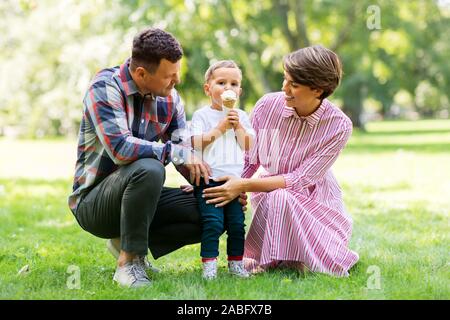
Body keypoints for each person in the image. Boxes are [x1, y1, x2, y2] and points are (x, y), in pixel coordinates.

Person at [68, 28, 247, 288]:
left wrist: (222, 187)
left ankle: (124, 241)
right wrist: (176, 152)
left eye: (177, 74)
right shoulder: (105, 87)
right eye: (169, 77)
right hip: (94, 202)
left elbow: (185, 151)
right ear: (142, 74)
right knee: (149, 168)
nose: (175, 82)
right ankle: (129, 263)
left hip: (138, 195)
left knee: (213, 208)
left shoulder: (171, 99)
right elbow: (120, 148)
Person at [202, 45, 359, 277]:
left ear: (318, 90)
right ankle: (284, 257)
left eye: (294, 85)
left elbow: (299, 179)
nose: (284, 88)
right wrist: (215, 183)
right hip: (270, 198)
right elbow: (248, 159)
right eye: (285, 79)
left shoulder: (339, 126)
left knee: (281, 195)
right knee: (277, 197)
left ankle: (291, 257)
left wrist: (243, 186)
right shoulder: (267, 106)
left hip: (315, 203)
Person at [190, 60, 255, 279]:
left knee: (237, 224)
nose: (228, 88)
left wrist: (237, 126)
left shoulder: (242, 116)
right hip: (209, 180)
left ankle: (236, 264)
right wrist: (220, 128)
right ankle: (209, 266)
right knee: (213, 223)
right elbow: (197, 143)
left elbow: (247, 145)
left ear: (240, 91)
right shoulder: (202, 115)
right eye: (221, 82)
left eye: (234, 84)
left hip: (233, 181)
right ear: (208, 89)